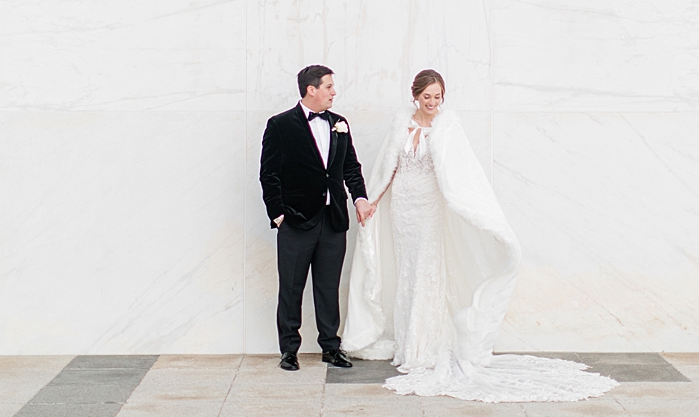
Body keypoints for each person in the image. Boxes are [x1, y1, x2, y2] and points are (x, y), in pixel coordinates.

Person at [341, 69, 618, 402]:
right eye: (426, 96)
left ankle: (423, 347)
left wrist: (465, 206)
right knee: (406, 271)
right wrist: (371, 203)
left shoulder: (447, 127)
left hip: (429, 207)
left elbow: (461, 172)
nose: (432, 102)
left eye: (437, 97)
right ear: (414, 95)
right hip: (403, 208)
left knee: (426, 271)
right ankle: (406, 345)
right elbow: (389, 167)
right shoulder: (400, 124)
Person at [260, 65, 374, 371]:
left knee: (328, 287)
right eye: (329, 87)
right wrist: (279, 215)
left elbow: (351, 166)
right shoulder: (280, 125)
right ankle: (289, 350)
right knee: (291, 288)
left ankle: (330, 347)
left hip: (333, 219)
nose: (334, 92)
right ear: (312, 89)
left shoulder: (340, 124)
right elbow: (269, 175)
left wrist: (360, 198)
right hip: (296, 222)